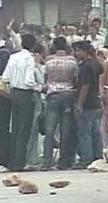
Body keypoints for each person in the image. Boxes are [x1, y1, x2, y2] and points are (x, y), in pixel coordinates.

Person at [42, 37, 78, 171]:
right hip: (68, 95)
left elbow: (46, 78)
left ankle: (47, 162)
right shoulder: (72, 61)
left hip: (53, 96)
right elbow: (75, 79)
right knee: (65, 130)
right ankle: (63, 162)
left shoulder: (49, 60)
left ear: (54, 46)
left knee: (50, 130)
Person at [3, 34, 38, 171]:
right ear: (34, 45)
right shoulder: (29, 58)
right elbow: (29, 81)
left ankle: (12, 162)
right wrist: (39, 87)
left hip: (14, 92)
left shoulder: (13, 57)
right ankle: (19, 163)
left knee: (16, 128)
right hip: (25, 94)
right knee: (24, 129)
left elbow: (5, 77)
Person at [74, 41, 104, 169]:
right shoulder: (96, 64)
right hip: (96, 102)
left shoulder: (86, 67)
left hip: (87, 103)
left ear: (86, 52)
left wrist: (79, 104)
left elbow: (85, 87)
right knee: (96, 132)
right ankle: (98, 157)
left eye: (78, 50)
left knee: (85, 133)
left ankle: (86, 159)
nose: (76, 53)